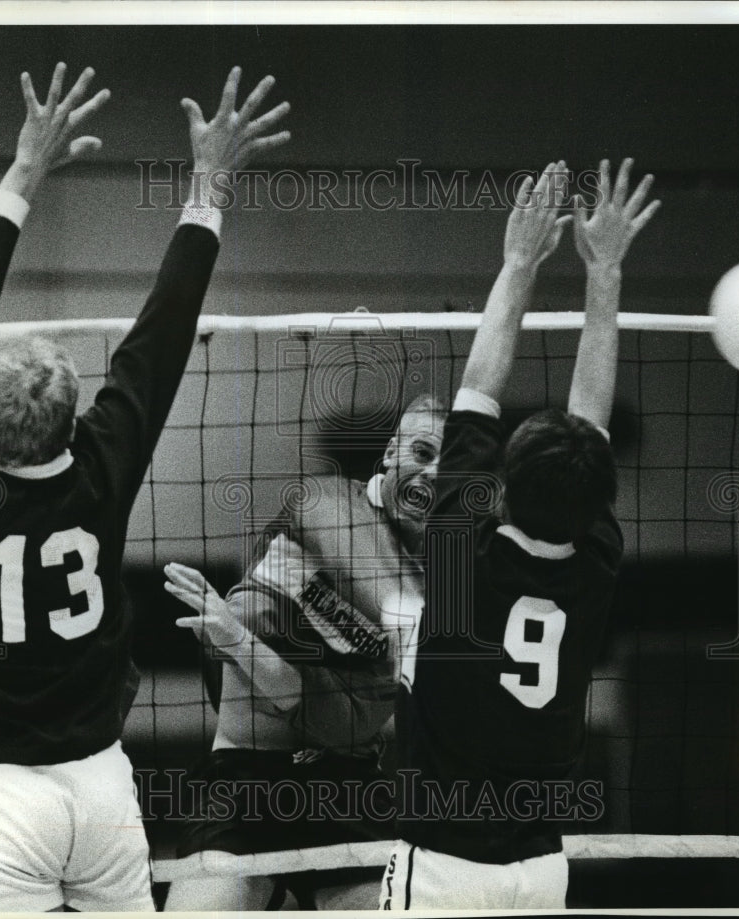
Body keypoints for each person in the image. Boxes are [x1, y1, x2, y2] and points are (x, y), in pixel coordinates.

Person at [0, 63, 290, 912]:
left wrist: (23, 170)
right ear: (71, 416)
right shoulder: (100, 468)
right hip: (100, 790)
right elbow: (161, 336)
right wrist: (209, 183)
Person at [380, 158, 660, 909]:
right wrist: (605, 273)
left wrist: (519, 262)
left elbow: (477, 391)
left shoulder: (459, 555)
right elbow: (589, 418)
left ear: (499, 493)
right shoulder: (592, 564)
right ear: (598, 495)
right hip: (541, 868)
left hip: (444, 863)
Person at [162, 394, 446, 911]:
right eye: (422, 453)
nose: (432, 473)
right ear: (390, 453)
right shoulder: (326, 511)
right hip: (244, 783)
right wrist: (237, 641)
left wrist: (240, 645)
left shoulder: (443, 581)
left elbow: (340, 721)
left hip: (346, 790)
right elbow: (248, 644)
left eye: (450, 466)